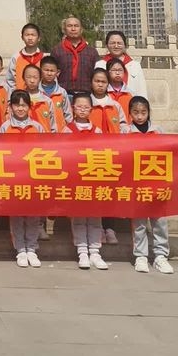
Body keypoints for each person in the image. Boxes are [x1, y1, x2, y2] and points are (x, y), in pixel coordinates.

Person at [0, 91, 45, 267]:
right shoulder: (5, 127)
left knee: (33, 214)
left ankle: (32, 248)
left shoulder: (37, 127)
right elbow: (0, 151)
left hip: (33, 176)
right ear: (10, 107)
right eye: (17, 105)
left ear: (29, 107)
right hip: (14, 177)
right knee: (17, 215)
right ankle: (20, 249)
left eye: (24, 105)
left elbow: (44, 150)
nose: (20, 108)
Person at [129, 96, 173, 275]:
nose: (140, 116)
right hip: (136, 183)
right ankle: (140, 256)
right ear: (130, 113)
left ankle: (161, 255)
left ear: (148, 112)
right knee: (139, 222)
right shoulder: (125, 131)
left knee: (159, 221)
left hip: (157, 182)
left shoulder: (158, 130)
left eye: (143, 112)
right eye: (136, 112)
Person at [66, 93, 108, 270]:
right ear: (73, 108)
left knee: (95, 216)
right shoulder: (67, 130)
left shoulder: (97, 131)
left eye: (86, 107)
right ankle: (82, 250)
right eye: (79, 106)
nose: (82, 110)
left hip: (93, 179)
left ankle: (95, 251)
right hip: (76, 179)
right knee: (79, 216)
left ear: (91, 109)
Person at [51, 17, 100, 97]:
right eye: (69, 26)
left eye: (76, 26)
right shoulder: (57, 51)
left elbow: (98, 74)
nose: (73, 29)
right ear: (64, 29)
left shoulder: (92, 52)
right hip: (63, 94)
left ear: (81, 29)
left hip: (86, 95)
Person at [99, 30, 148, 99]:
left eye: (119, 43)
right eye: (112, 43)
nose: (116, 46)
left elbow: (142, 90)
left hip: (131, 103)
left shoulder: (135, 65)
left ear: (125, 45)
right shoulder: (100, 65)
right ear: (107, 45)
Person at [5, 23, 44, 92]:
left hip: (40, 95)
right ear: (22, 37)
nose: (30, 38)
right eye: (27, 35)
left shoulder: (44, 58)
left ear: (39, 38)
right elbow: (10, 80)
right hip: (21, 96)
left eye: (33, 35)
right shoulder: (16, 57)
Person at [20, 64, 58, 133]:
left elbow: (53, 125)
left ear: (40, 79)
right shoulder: (19, 100)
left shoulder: (47, 101)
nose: (32, 80)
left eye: (35, 77)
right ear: (23, 78)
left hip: (44, 138)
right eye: (28, 77)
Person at [89, 70, 128, 134]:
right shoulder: (86, 105)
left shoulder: (115, 105)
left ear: (108, 84)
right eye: (97, 81)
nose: (100, 85)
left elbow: (123, 124)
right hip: (93, 139)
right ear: (91, 82)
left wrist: (125, 130)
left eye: (104, 82)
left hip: (113, 139)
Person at [39, 56, 72, 129]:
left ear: (58, 72)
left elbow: (68, 115)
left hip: (60, 132)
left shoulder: (62, 92)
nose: (49, 73)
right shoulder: (36, 92)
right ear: (40, 70)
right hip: (41, 132)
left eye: (52, 71)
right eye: (46, 70)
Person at [103, 58, 133, 122]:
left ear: (124, 72)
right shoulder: (103, 93)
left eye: (120, 70)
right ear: (107, 72)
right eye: (114, 70)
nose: (117, 73)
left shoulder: (130, 94)